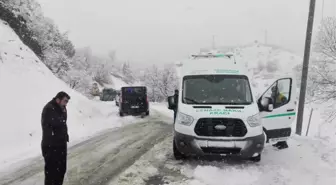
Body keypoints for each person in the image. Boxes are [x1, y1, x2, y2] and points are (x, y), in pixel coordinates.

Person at [41, 91, 70, 185]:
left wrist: (65, 136)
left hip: (61, 145)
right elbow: (54, 125)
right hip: (51, 146)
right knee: (51, 173)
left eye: (67, 102)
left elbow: (63, 124)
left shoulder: (62, 108)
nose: (66, 103)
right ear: (58, 100)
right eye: (65, 101)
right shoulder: (49, 109)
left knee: (61, 170)